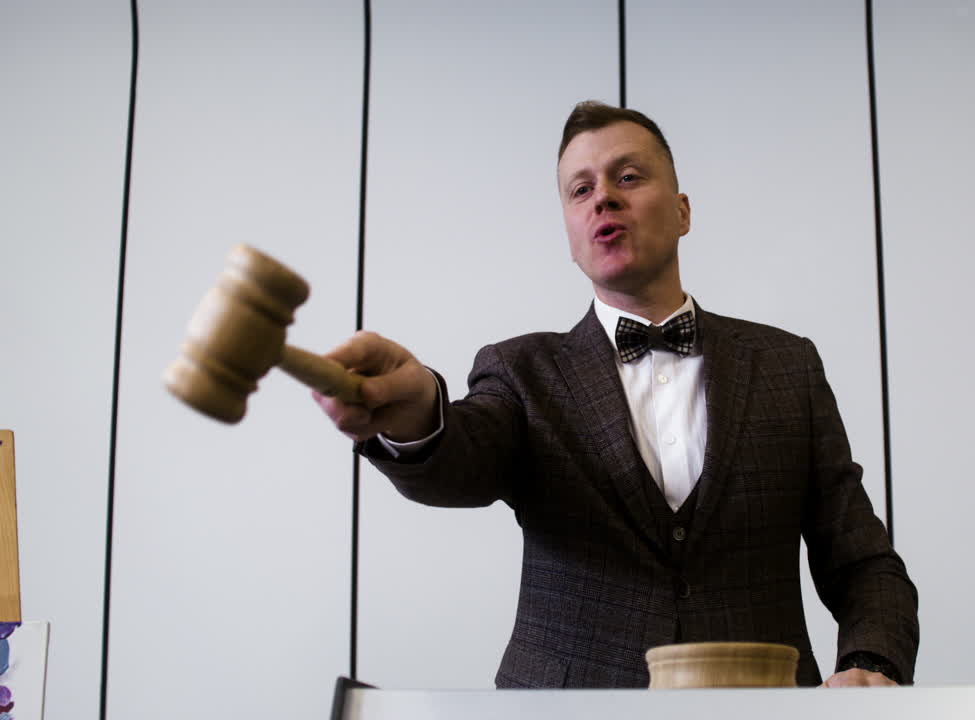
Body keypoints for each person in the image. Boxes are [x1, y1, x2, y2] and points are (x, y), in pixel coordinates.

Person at [314, 101, 919, 689]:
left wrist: (873, 664)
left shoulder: (787, 365)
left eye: (627, 177)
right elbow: (463, 461)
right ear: (571, 236)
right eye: (580, 190)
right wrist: (420, 411)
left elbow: (863, 563)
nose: (602, 197)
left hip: (763, 704)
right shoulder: (521, 370)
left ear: (682, 211)